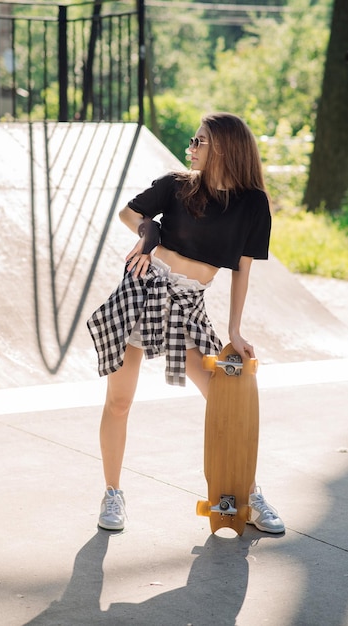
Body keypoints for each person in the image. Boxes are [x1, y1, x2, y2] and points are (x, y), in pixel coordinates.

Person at [87, 112, 285, 534]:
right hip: (143, 288)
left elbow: (241, 270)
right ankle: (112, 494)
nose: (190, 148)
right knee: (120, 400)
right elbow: (129, 213)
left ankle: (247, 493)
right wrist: (149, 235)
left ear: (224, 149)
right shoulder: (177, 185)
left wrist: (233, 330)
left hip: (189, 303)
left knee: (226, 400)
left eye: (199, 141)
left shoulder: (252, 205)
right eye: (193, 141)